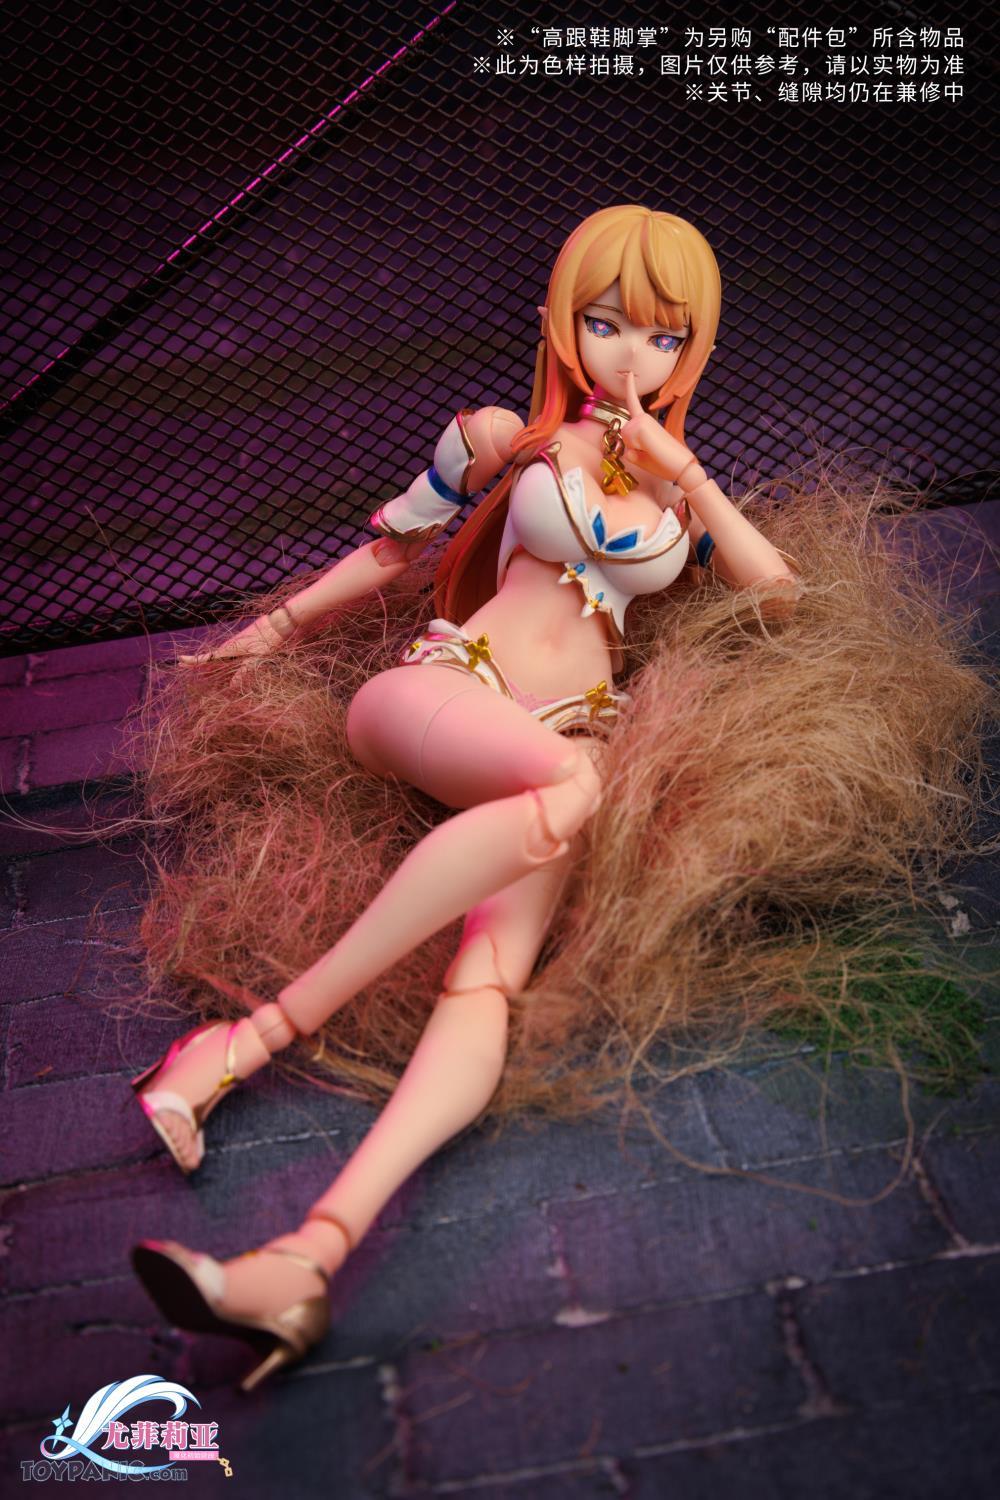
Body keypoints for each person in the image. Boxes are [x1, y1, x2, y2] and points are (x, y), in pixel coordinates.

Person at [128, 204, 984, 1391]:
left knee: (486, 981)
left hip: (557, 748)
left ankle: (305, 1262)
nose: (633, 357)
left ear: (695, 351)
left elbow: (782, 597)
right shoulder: (503, 439)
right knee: (574, 788)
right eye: (606, 323)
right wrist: (267, 633)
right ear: (560, 322)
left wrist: (686, 473)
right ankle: (244, 1042)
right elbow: (393, 548)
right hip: (439, 694)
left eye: (665, 338)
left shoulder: (675, 502)